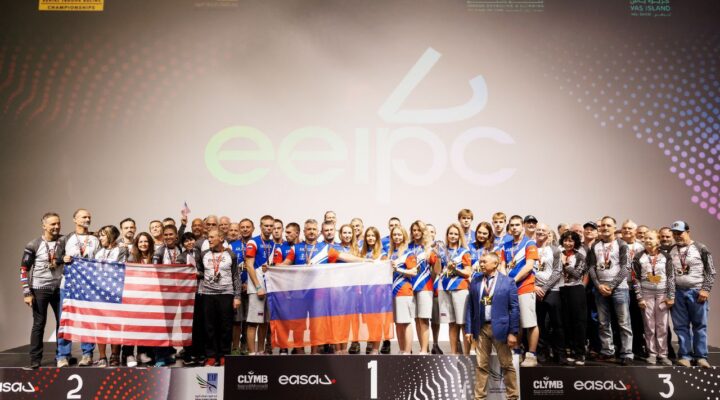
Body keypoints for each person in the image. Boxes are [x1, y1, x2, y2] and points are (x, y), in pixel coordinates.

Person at [465, 253, 519, 400]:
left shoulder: (508, 282)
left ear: (495, 264)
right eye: (480, 262)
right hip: (481, 328)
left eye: (484, 262)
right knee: (481, 365)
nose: (481, 264)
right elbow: (470, 307)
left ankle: (513, 397)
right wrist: (469, 329)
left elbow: (514, 309)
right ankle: (479, 398)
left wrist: (513, 332)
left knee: (507, 365)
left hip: (501, 329)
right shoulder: (475, 281)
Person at [56, 208, 100, 368]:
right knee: (65, 320)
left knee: (87, 321)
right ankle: (63, 356)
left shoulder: (95, 239)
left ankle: (87, 354)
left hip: (88, 286)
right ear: (75, 219)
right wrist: (63, 258)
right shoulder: (65, 238)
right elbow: (55, 259)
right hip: (68, 285)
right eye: (83, 217)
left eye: (89, 217)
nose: (87, 219)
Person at [587, 216, 634, 365]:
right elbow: (591, 267)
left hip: (619, 288)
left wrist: (611, 285)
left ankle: (627, 353)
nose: (605, 228)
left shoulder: (622, 244)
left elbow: (626, 267)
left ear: (614, 228)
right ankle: (608, 352)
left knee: (624, 322)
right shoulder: (595, 245)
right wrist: (598, 285)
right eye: (603, 225)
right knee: (603, 322)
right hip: (600, 289)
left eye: (608, 225)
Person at [669, 221, 715, 368]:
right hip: (678, 292)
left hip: (697, 292)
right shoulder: (671, 250)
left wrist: (705, 289)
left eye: (680, 233)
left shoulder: (701, 248)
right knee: (680, 326)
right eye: (675, 233)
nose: (677, 236)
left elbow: (711, 271)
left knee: (700, 325)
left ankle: (701, 357)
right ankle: (685, 356)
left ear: (688, 232)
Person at [21, 212, 63, 369]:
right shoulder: (34, 244)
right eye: (52, 224)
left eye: (58, 223)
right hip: (40, 289)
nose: (56, 227)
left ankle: (62, 356)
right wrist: (27, 292)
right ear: (44, 225)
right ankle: (35, 359)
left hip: (59, 288)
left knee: (62, 323)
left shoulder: (63, 241)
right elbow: (24, 269)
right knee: (39, 323)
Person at [500, 215, 540, 366]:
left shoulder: (529, 243)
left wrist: (513, 280)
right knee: (515, 322)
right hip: (510, 289)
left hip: (525, 287)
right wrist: (505, 281)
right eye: (512, 225)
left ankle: (532, 355)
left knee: (530, 322)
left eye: (517, 225)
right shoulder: (505, 244)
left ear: (522, 226)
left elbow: (529, 266)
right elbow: (502, 265)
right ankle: (517, 352)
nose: (514, 228)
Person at [198, 229, 241, 366]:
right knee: (209, 326)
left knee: (225, 326)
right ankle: (211, 355)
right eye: (208, 237)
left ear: (221, 238)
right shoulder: (204, 254)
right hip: (208, 294)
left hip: (226, 294)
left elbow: (236, 276)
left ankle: (224, 355)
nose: (209, 240)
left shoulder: (231, 255)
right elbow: (200, 272)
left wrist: (237, 296)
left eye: (212, 237)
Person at [632, 230, 674, 366]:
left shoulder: (666, 256)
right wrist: (639, 297)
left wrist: (670, 296)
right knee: (649, 326)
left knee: (662, 325)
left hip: (662, 294)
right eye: (645, 238)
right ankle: (652, 354)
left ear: (657, 240)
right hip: (646, 294)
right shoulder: (638, 256)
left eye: (650, 238)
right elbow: (636, 279)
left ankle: (663, 354)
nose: (647, 240)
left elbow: (671, 277)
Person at [94, 225, 128, 367]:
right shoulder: (97, 251)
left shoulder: (121, 250)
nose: (100, 238)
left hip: (115, 292)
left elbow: (119, 268)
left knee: (115, 324)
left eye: (103, 235)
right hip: (99, 293)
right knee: (100, 325)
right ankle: (102, 356)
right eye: (100, 235)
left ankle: (115, 355)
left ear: (111, 236)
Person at [435, 223, 472, 355]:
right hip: (444, 289)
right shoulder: (442, 252)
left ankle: (467, 355)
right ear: (447, 235)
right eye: (451, 233)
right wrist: (438, 257)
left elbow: (468, 272)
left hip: (460, 288)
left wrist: (455, 269)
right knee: (451, 323)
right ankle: (453, 354)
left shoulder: (464, 252)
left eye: (456, 234)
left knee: (463, 323)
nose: (453, 236)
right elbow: (437, 271)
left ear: (460, 236)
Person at [245, 215, 276, 355]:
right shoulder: (253, 242)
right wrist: (258, 287)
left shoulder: (274, 244)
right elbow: (249, 265)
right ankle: (252, 354)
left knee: (265, 323)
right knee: (253, 322)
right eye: (266, 226)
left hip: (269, 288)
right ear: (261, 226)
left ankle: (261, 351)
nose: (268, 228)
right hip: (256, 289)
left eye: (271, 226)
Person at [533, 223, 565, 364]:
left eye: (543, 230)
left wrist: (544, 288)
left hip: (552, 290)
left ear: (548, 233)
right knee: (539, 324)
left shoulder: (555, 250)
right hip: (534, 290)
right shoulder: (530, 248)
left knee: (557, 324)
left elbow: (558, 271)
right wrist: (534, 287)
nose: (540, 232)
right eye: (538, 230)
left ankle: (560, 354)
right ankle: (541, 352)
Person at [124, 232, 156, 367]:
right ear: (137, 244)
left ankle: (141, 353)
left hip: (150, 297)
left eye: (146, 241)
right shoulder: (132, 258)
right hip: (134, 297)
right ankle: (128, 354)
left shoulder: (155, 257)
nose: (143, 244)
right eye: (141, 242)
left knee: (145, 326)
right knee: (131, 326)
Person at [558, 230, 589, 365]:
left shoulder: (580, 256)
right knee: (566, 322)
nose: (568, 243)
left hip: (576, 289)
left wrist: (565, 264)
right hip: (561, 289)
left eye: (571, 240)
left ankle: (580, 353)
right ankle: (569, 350)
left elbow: (577, 274)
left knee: (578, 322)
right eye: (565, 240)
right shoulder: (558, 254)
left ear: (575, 242)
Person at [388, 226, 417, 354]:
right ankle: (401, 350)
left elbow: (414, 272)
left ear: (404, 236)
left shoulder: (408, 253)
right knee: (398, 323)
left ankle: (407, 351)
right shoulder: (391, 253)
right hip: (393, 292)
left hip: (404, 290)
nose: (397, 237)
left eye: (399, 235)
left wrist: (398, 269)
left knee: (405, 322)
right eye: (394, 235)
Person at [621, 219, 647, 359]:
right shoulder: (617, 245)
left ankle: (638, 348)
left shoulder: (641, 247)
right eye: (624, 228)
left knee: (637, 320)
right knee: (622, 321)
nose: (627, 230)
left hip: (637, 288)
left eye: (630, 228)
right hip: (620, 287)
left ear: (635, 231)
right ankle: (623, 348)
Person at [408, 221, 433, 355]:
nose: (416, 232)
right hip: (410, 286)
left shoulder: (429, 247)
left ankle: (424, 350)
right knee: (416, 319)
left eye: (419, 230)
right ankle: (423, 347)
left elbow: (436, 268)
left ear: (424, 232)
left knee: (423, 319)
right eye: (414, 230)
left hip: (425, 286)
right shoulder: (408, 247)